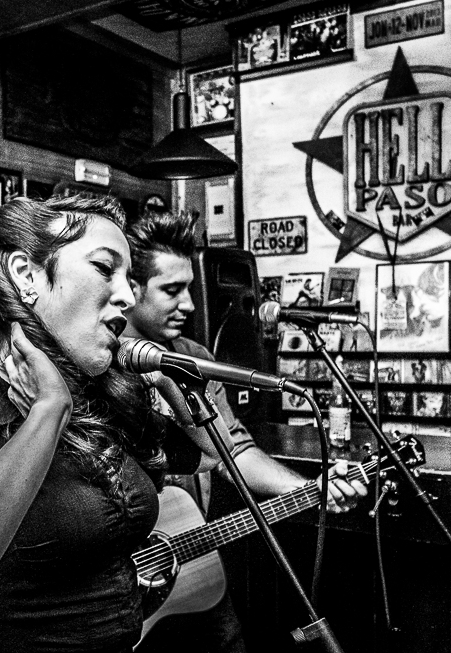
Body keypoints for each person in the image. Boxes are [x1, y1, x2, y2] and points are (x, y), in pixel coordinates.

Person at [0, 192, 233, 653]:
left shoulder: (102, 403)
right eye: (104, 268)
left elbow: (210, 453)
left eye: (129, 278)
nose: (127, 296)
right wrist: (48, 411)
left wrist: (164, 374)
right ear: (25, 274)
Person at [122, 211, 368, 653]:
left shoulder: (194, 358)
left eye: (190, 289)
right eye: (172, 290)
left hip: (188, 564)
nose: (189, 305)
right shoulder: (100, 359)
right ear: (131, 288)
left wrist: (309, 488)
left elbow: (232, 451)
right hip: (119, 585)